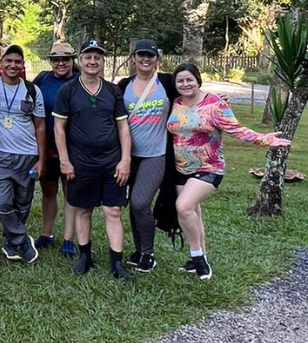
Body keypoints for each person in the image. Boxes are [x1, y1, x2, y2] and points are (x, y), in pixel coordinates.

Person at [167, 62, 291, 280]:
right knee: (193, 212)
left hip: (210, 168)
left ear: (198, 80)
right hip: (181, 169)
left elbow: (237, 129)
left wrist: (265, 139)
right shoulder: (175, 103)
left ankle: (197, 257)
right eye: (180, 80)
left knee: (183, 207)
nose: (185, 84)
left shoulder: (215, 104)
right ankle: (200, 258)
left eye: (189, 79)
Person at [53, 39, 134, 280]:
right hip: (80, 161)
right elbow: (59, 128)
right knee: (83, 209)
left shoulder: (112, 90)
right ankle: (84, 256)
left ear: (102, 62)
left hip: (112, 161)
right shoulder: (67, 90)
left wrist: (126, 160)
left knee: (113, 210)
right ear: (80, 61)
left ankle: (117, 263)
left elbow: (123, 128)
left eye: (97, 57)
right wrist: (64, 161)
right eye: (88, 56)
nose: (92, 61)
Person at [0, 45, 46, 263]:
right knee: (3, 201)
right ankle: (22, 240)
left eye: (17, 62)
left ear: (22, 65)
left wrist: (41, 160)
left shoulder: (32, 90)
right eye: (8, 61)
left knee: (23, 202)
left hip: (27, 155)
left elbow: (40, 126)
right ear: (0, 64)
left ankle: (12, 242)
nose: (13, 65)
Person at [115, 39, 177, 273]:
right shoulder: (124, 86)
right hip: (129, 155)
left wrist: (216, 101)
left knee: (141, 201)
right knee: (133, 205)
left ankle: (149, 254)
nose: (145, 59)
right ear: (133, 58)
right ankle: (139, 250)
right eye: (141, 55)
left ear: (156, 60)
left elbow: (192, 93)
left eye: (150, 56)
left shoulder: (167, 83)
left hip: (156, 154)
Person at [32, 41, 80, 255]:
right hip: (47, 145)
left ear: (72, 60)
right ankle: (46, 233)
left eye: (65, 59)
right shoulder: (42, 80)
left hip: (74, 147)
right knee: (48, 191)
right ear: (50, 61)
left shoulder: (81, 80)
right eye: (56, 59)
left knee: (71, 193)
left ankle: (68, 238)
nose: (60, 63)